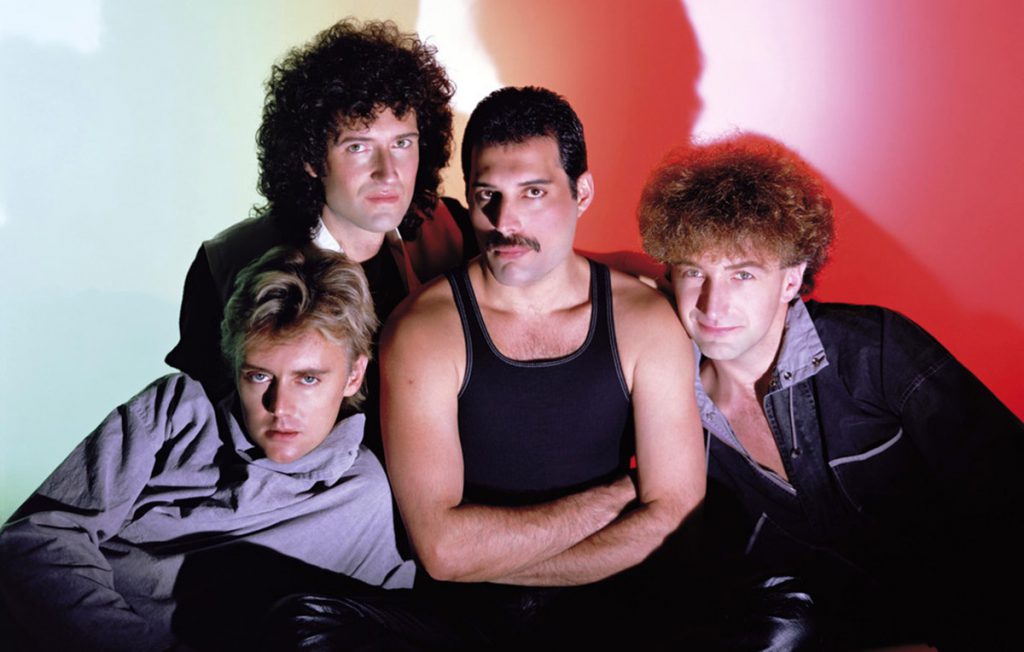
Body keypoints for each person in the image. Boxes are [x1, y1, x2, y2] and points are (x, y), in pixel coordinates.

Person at [638, 133, 1024, 649]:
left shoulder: (873, 351)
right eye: (694, 272)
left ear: (790, 280)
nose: (712, 303)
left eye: (742, 274)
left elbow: (1008, 486)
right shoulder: (669, 409)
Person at [371, 86, 704, 647]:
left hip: (620, 611)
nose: (506, 221)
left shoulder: (643, 320)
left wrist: (489, 558)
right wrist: (617, 497)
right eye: (488, 195)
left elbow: (674, 519)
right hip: (468, 627)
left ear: (582, 192)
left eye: (533, 192)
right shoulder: (422, 332)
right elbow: (442, 551)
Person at [0, 246, 414, 652]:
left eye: (308, 380)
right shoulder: (176, 412)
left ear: (353, 375)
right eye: (259, 376)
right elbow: (33, 538)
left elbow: (383, 627)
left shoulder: (365, 497)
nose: (280, 407)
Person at [166, 19, 476, 432]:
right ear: (311, 159)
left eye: (402, 143)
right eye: (358, 147)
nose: (388, 173)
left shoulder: (455, 232)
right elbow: (197, 431)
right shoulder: (226, 265)